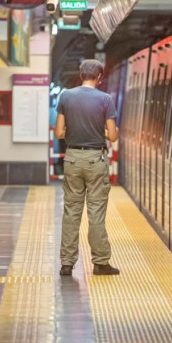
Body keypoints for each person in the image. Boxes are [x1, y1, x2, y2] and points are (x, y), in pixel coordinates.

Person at [55, 59, 119, 277]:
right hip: (95, 159)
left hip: (72, 158)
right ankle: (100, 263)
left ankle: (66, 263)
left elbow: (59, 132)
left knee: (71, 212)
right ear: (99, 77)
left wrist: (75, 131)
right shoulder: (105, 99)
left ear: (81, 75)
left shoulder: (66, 96)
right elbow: (112, 135)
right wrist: (97, 132)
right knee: (96, 213)